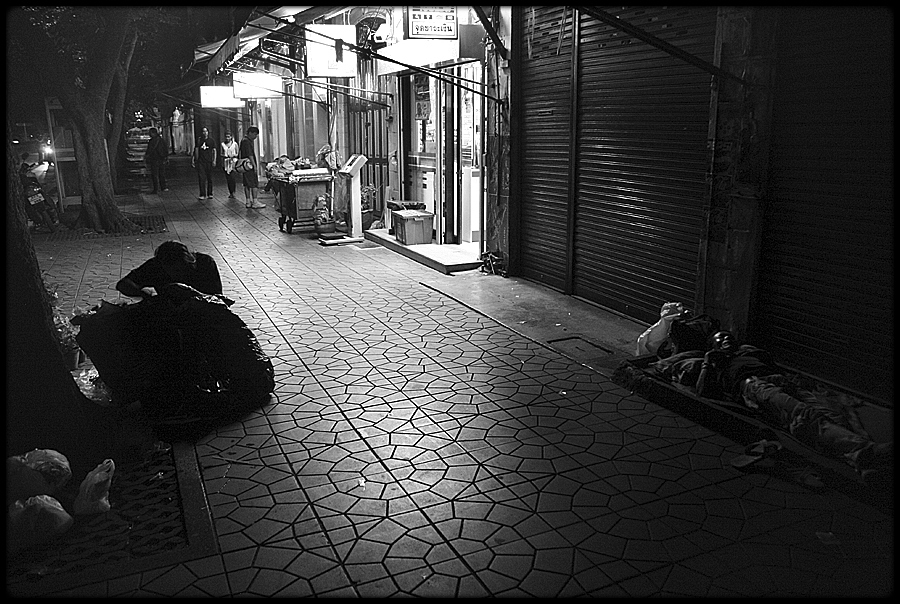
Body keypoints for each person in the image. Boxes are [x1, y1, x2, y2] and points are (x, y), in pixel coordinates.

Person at [695, 331, 892, 476]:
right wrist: (707, 361)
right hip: (755, 385)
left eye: (729, 336)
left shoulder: (749, 353)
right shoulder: (718, 363)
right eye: (720, 338)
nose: (726, 339)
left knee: (833, 413)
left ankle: (860, 460)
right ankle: (866, 451)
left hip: (782, 380)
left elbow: (772, 364)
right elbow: (702, 391)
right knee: (804, 414)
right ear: (714, 346)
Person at [116, 240, 223, 299]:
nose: (178, 275)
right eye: (173, 271)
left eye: (181, 270)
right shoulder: (156, 266)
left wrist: (193, 296)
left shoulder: (205, 263)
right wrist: (144, 294)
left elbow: (218, 299)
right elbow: (123, 284)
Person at [239, 126, 266, 209]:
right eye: (255, 134)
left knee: (246, 183)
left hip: (244, 166)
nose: (255, 137)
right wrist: (254, 165)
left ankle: (248, 201)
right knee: (253, 183)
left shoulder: (243, 140)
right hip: (249, 165)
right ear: (250, 133)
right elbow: (250, 154)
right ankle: (255, 201)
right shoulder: (247, 142)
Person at [192, 127, 217, 200]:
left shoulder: (211, 141)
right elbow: (196, 150)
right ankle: (202, 194)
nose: (205, 133)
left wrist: (214, 160)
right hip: (201, 162)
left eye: (206, 131)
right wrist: (194, 159)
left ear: (208, 132)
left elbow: (214, 150)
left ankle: (210, 193)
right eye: (203, 131)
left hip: (209, 161)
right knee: (201, 178)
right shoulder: (199, 140)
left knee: (210, 178)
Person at [145, 127, 169, 194]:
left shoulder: (152, 141)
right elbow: (165, 149)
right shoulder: (161, 140)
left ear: (153, 133)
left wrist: (147, 156)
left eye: (150, 133)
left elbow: (149, 150)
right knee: (162, 173)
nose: (149, 134)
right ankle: (163, 187)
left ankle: (156, 188)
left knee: (155, 174)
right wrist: (166, 157)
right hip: (161, 159)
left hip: (154, 159)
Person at [220, 131, 239, 199]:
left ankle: (233, 191)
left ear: (231, 137)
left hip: (233, 162)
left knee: (232, 177)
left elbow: (238, 153)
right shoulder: (222, 144)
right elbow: (221, 153)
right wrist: (224, 155)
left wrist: (233, 155)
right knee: (228, 178)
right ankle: (230, 192)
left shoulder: (235, 144)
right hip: (226, 162)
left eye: (229, 137)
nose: (227, 138)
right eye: (226, 137)